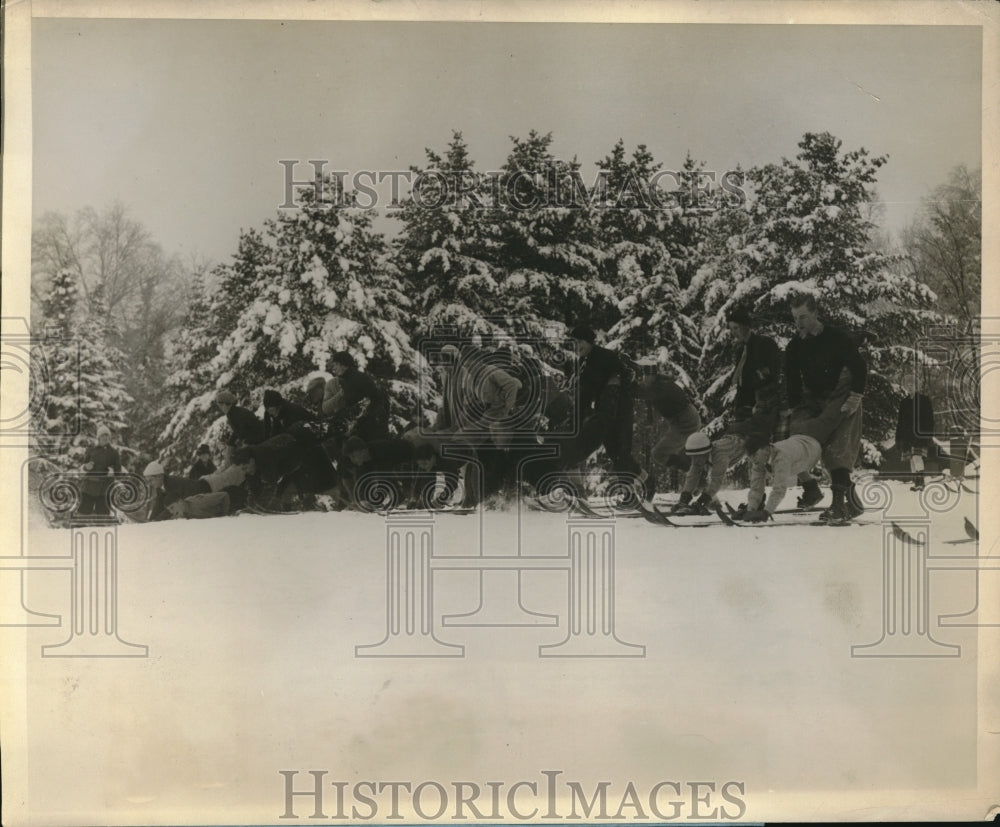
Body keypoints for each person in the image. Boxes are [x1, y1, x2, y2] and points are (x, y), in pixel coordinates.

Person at [784, 293, 868, 523]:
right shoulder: (795, 346)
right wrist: (793, 409)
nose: (798, 323)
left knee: (837, 450)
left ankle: (839, 505)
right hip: (814, 401)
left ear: (815, 313)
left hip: (843, 397)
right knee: (798, 437)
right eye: (795, 318)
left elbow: (859, 367)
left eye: (803, 317)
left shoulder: (836, 337)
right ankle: (824, 493)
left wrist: (856, 396)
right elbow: (792, 380)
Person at [673, 404, 777, 515]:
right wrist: (683, 500)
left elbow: (716, 481)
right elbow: (692, 476)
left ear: (705, 452)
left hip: (752, 435)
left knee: (759, 470)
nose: (695, 460)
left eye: (698, 456)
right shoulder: (700, 454)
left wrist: (701, 502)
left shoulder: (720, 456)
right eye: (692, 456)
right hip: (736, 431)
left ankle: (758, 502)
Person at [323, 351, 390, 443]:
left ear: (344, 365)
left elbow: (373, 402)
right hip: (362, 425)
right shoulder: (348, 379)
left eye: (336, 364)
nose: (333, 368)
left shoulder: (357, 379)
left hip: (368, 429)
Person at [726, 306, 780, 413]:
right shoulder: (740, 350)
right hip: (744, 406)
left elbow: (774, 371)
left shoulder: (764, 344)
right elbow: (741, 381)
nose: (733, 333)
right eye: (731, 329)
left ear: (746, 326)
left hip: (764, 404)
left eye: (736, 328)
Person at [894, 377, 935, 491]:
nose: (910, 387)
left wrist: (927, 435)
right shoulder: (904, 402)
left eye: (912, 385)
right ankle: (916, 483)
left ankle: (921, 483)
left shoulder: (924, 400)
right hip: (907, 436)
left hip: (919, 435)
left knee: (917, 457)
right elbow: (900, 422)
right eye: (908, 385)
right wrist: (898, 438)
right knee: (911, 459)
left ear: (917, 387)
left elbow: (930, 419)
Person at [78, 425, 122, 517]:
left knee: (102, 517)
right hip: (88, 488)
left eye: (107, 435)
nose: (105, 437)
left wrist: (113, 472)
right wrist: (86, 467)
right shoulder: (91, 450)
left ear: (109, 437)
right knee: (83, 515)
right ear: (98, 437)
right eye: (102, 435)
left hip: (105, 490)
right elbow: (81, 468)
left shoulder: (114, 453)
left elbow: (118, 472)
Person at [215, 390, 266, 454]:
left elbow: (246, 430)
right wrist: (230, 443)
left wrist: (242, 444)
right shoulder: (232, 413)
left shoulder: (237, 414)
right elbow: (238, 431)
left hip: (258, 438)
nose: (221, 409)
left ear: (226, 404)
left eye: (220, 406)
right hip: (253, 438)